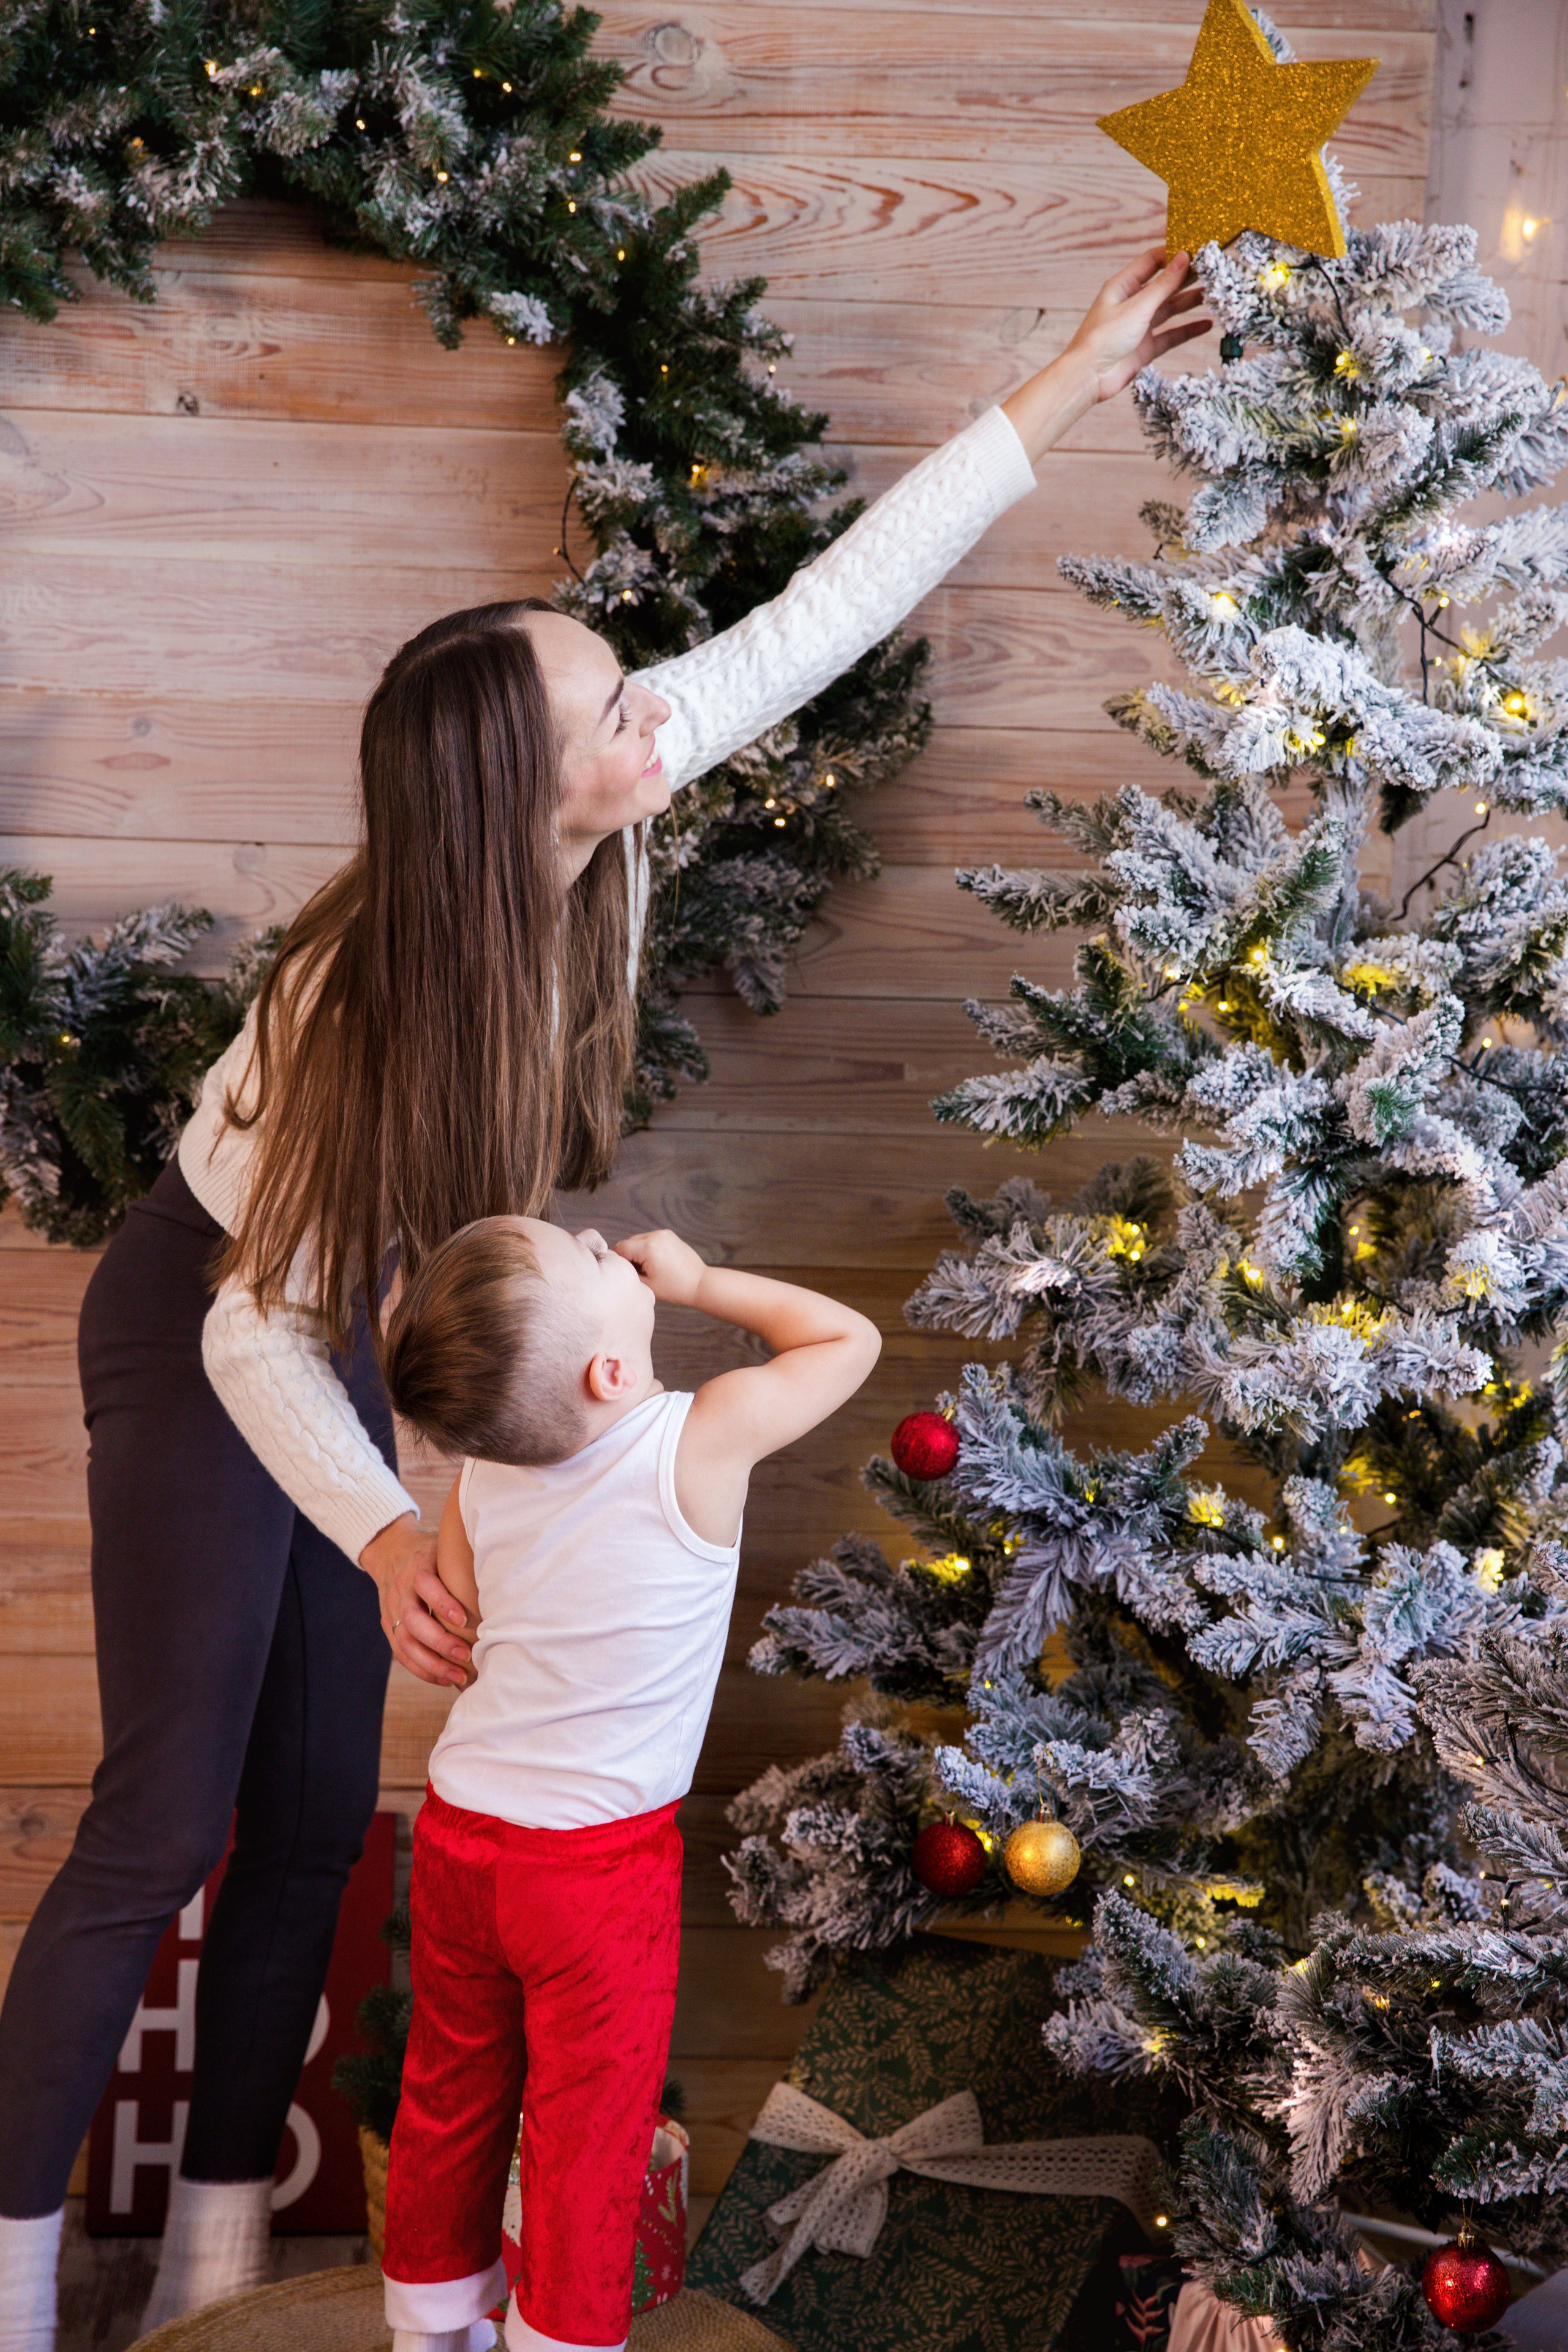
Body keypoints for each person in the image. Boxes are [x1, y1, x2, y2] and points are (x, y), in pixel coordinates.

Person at [0, 246, 1206, 2352]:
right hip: (222, 1321)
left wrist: (1072, 369)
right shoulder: (348, 998)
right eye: (609, 702)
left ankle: (217, 2273)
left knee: (311, 1820)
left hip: (349, 1324)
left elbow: (828, 613)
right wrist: (387, 1527)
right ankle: (10, 2274)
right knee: (168, 1812)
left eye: (630, 680)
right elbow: (245, 1328)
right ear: (521, 789)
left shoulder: (605, 808)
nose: (655, 706)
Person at [376, 1214, 880, 2352]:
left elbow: (465, 1614)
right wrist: (702, 1282)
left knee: (450, 2097)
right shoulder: (697, 1441)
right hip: (592, 1873)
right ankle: (556, 2340)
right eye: (589, 1253)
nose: (607, 1236)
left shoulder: (481, 1476)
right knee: (585, 2136)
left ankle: (429, 2328)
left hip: (463, 1840)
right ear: (611, 1370)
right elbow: (846, 1340)